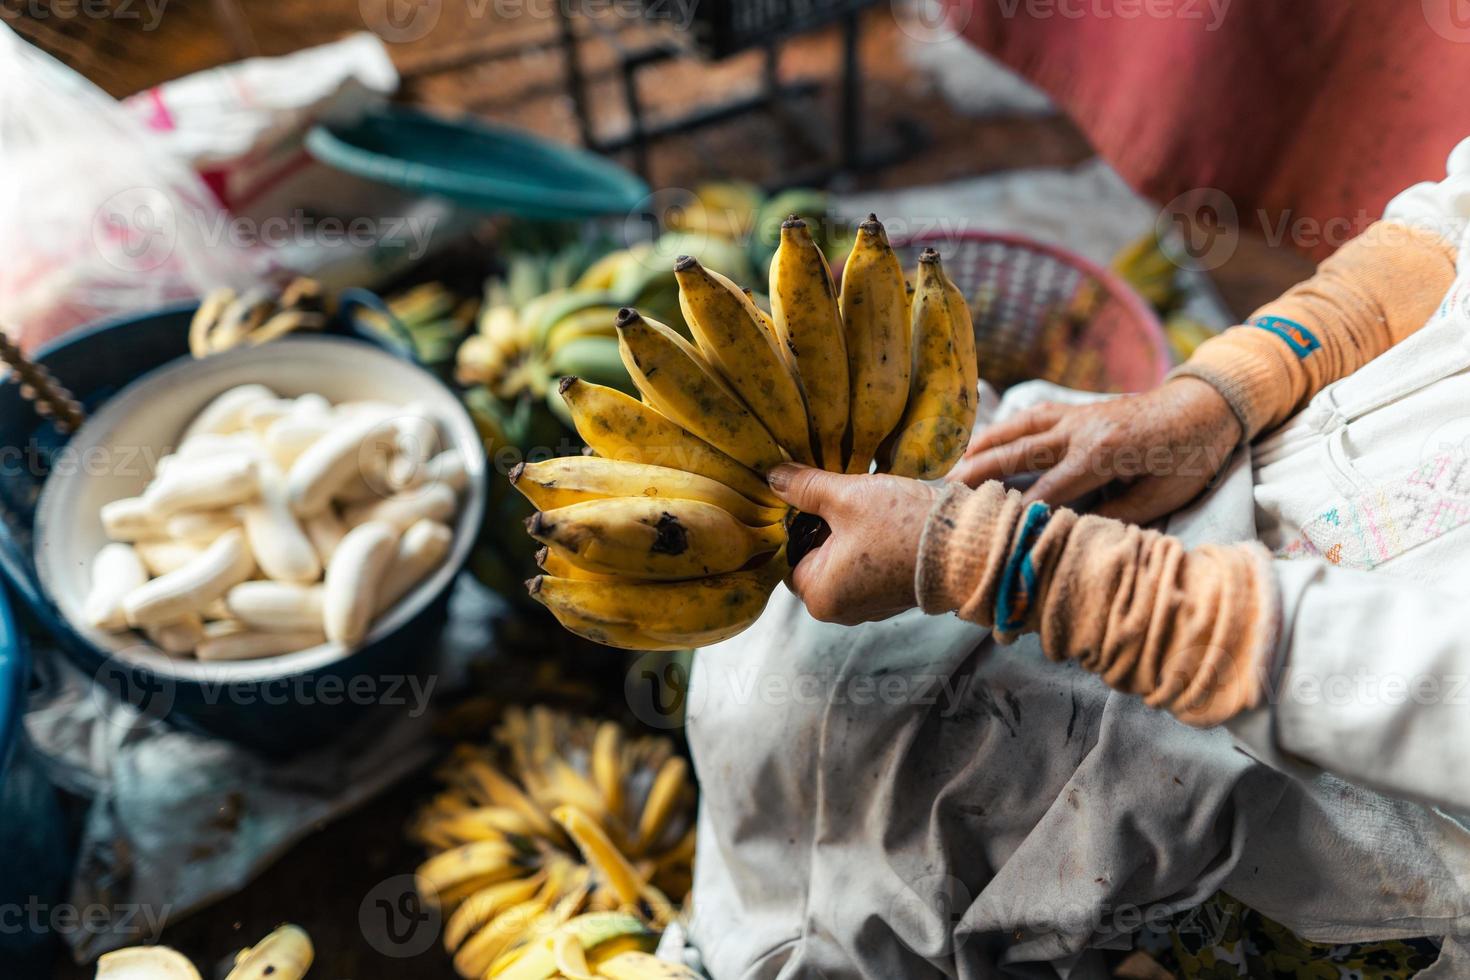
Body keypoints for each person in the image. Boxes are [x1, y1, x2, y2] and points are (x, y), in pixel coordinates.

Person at [682, 146, 1470, 978]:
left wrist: (1003, 561)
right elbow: (1449, 225)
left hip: (1360, 801)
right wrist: (1224, 391)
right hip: (1254, 484)